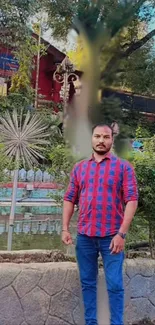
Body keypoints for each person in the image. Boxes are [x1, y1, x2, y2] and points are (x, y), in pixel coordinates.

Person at [62, 124, 138, 325]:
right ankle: (91, 322)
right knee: (88, 284)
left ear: (112, 140)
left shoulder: (123, 167)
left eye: (106, 137)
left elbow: (132, 199)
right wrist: (65, 228)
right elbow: (70, 198)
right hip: (85, 237)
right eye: (97, 136)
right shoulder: (80, 168)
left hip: (112, 237)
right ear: (92, 139)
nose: (101, 140)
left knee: (114, 285)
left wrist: (121, 234)